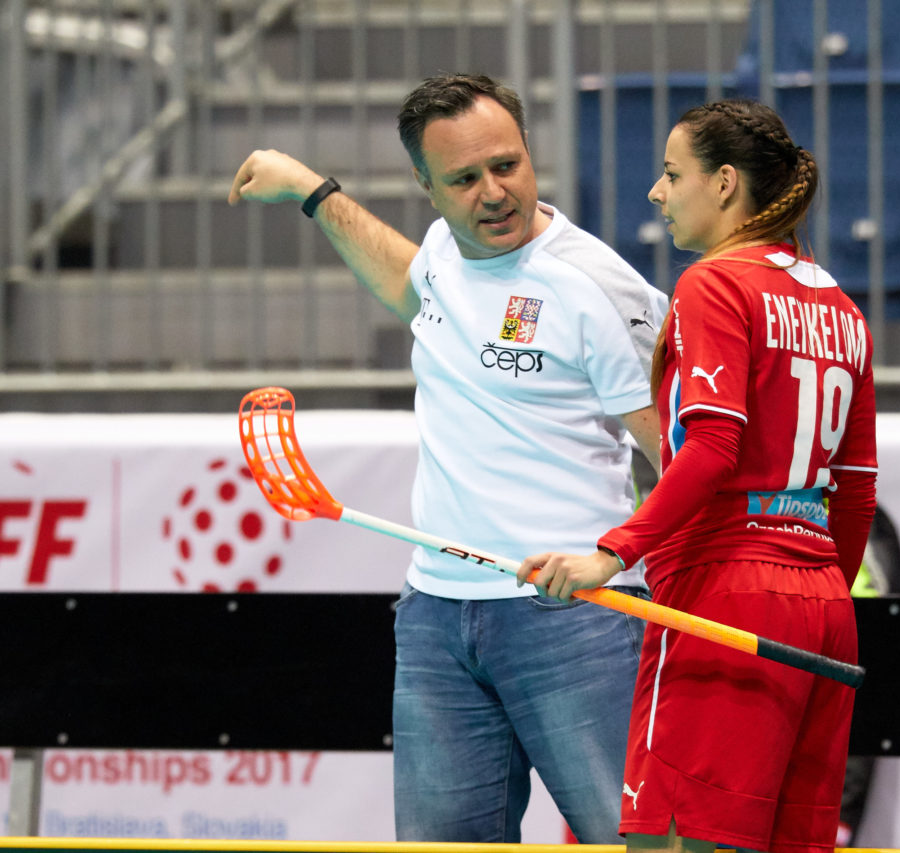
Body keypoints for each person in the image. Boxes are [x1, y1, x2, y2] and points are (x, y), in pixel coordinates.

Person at [228, 73, 667, 843]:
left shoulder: (596, 287)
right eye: (463, 179)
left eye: (508, 165)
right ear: (426, 186)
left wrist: (622, 559)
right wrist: (312, 191)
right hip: (435, 616)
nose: (493, 192)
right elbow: (409, 281)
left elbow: (679, 453)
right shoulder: (440, 253)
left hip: (574, 621)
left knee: (631, 841)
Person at [518, 98, 878, 853]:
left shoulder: (714, 284)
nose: (656, 191)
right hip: (823, 608)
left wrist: (613, 551)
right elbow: (857, 483)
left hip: (724, 595)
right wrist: (812, 592)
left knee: (673, 844)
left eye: (671, 172)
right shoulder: (841, 306)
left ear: (722, 185)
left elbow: (712, 446)